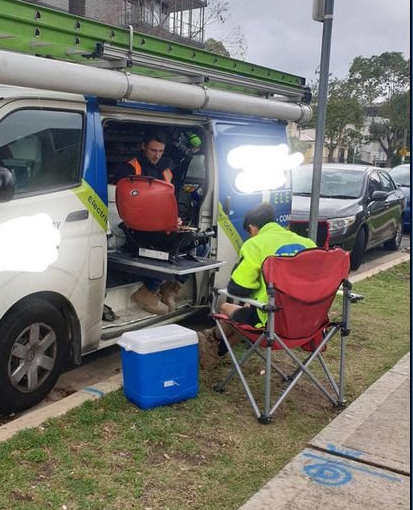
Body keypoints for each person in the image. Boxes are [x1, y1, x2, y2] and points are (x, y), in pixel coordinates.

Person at [197, 202, 317, 369]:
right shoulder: (308, 244)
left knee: (227, 308)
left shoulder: (255, 244)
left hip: (274, 322)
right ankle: (214, 352)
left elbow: (237, 288)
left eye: (250, 233)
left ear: (252, 227)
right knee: (247, 312)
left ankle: (212, 340)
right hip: (309, 321)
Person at [115, 129, 183, 315]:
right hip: (138, 226)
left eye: (161, 151)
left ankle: (169, 288)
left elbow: (171, 201)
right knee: (168, 246)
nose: (157, 155)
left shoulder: (166, 171)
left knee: (194, 243)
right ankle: (148, 291)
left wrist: (174, 219)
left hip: (162, 223)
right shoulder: (128, 170)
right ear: (143, 146)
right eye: (153, 150)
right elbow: (127, 205)